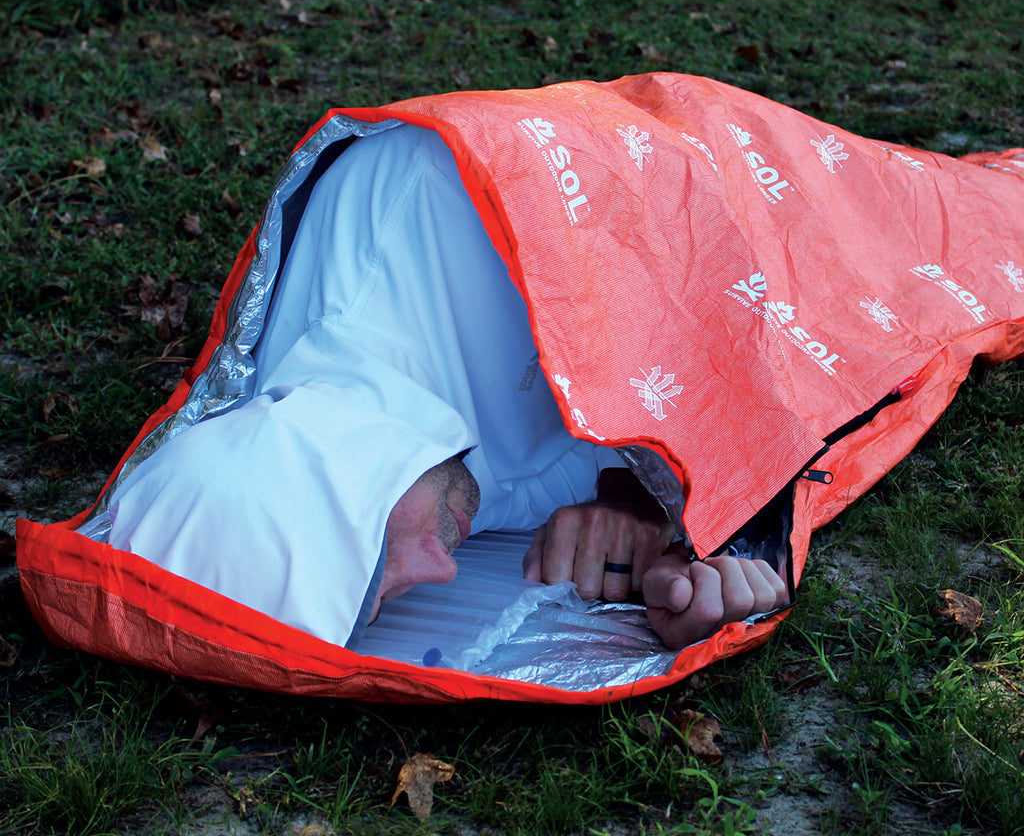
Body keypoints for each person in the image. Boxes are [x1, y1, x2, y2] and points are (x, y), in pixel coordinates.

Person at [101, 123, 789, 652]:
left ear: (343, 465)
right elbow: (553, 465)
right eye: (381, 601)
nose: (440, 572)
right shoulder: (414, 467)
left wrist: (635, 487)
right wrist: (660, 538)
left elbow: (689, 246)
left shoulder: (426, 205)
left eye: (379, 558)